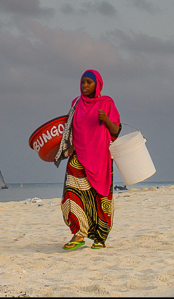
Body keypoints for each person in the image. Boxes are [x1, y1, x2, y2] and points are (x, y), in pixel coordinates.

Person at [54, 70, 122, 249]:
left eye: (88, 83)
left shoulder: (107, 103)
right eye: (82, 82)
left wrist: (105, 119)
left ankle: (100, 238)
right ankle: (78, 234)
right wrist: (68, 146)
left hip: (100, 158)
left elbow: (115, 130)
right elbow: (70, 129)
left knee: (100, 198)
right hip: (77, 156)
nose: (84, 86)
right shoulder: (76, 104)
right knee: (72, 194)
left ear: (97, 84)